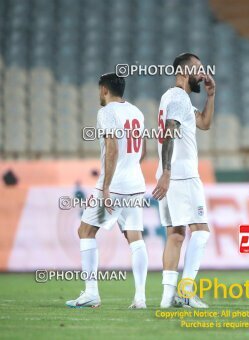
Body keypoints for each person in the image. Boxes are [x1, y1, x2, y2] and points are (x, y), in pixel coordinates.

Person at [66, 73, 148, 309]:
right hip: (135, 184)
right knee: (135, 237)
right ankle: (140, 298)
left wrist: (106, 186)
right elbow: (143, 151)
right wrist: (129, 168)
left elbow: (111, 149)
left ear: (104, 89)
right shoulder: (136, 112)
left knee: (85, 231)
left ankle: (91, 292)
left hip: (115, 184)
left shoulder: (107, 113)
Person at [152, 53, 215, 309]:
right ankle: (186, 291)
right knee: (201, 232)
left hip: (170, 175)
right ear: (183, 72)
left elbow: (205, 123)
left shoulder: (174, 98)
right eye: (198, 69)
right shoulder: (179, 97)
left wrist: (211, 96)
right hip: (182, 175)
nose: (202, 74)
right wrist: (167, 172)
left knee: (176, 235)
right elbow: (169, 132)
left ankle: (168, 299)